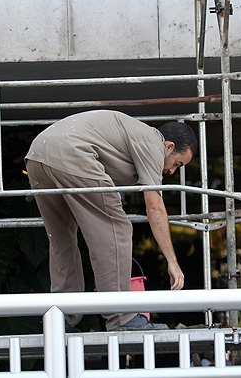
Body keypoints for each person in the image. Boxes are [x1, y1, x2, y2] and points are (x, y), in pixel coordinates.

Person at [25, 109, 197, 331]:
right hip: (72, 154)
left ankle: (61, 318)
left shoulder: (128, 135)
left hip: (37, 155)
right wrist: (172, 262)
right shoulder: (154, 144)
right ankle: (121, 316)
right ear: (169, 147)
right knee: (117, 228)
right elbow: (155, 207)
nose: (172, 171)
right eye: (177, 164)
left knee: (61, 238)